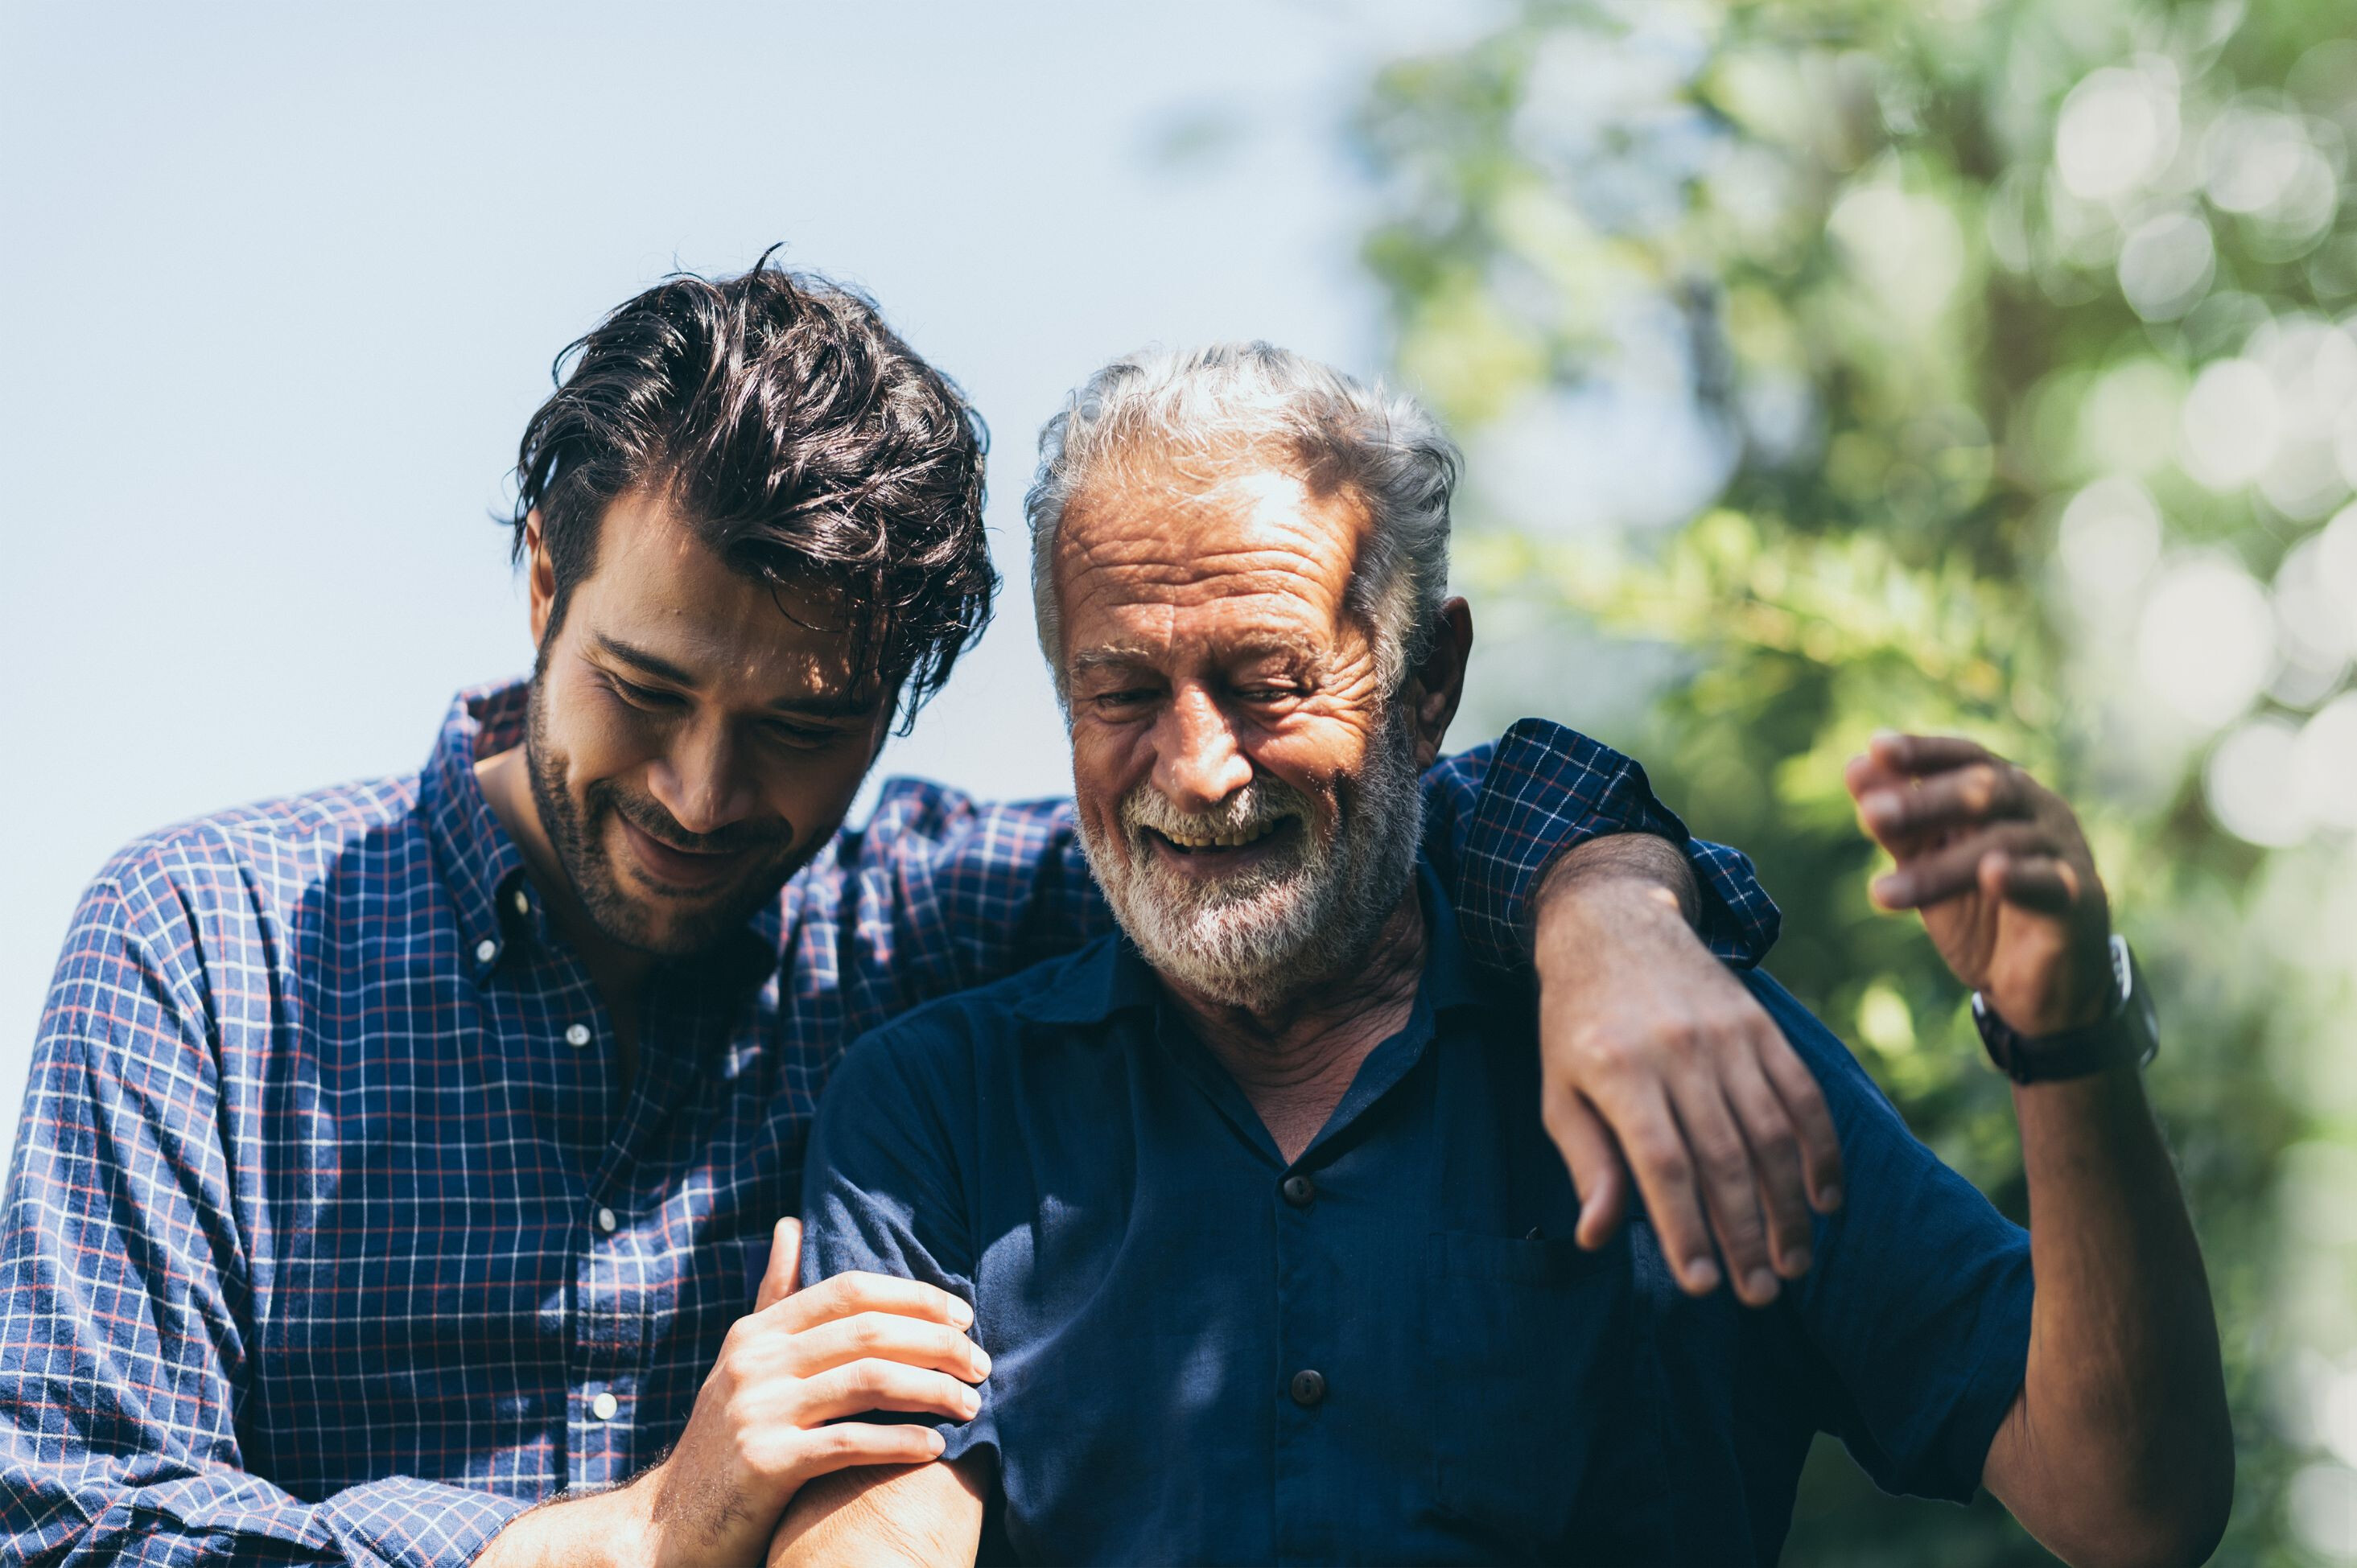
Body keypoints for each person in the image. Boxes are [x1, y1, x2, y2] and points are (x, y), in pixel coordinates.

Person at [0, 264, 1841, 1568]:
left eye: (803, 728)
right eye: (646, 690)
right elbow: (66, 1525)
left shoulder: (941, 928)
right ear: (543, 579)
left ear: (903, 698)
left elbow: (1344, 812)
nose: (708, 797)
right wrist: (633, 1539)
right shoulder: (199, 954)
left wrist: (1614, 909)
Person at [777, 344, 2235, 1567]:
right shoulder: (934, 1111)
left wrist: (2064, 1031)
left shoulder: (1684, 1042)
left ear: (1427, 685)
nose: (1198, 765)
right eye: (1119, 691)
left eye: (1268, 682)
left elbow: (2130, 1501)